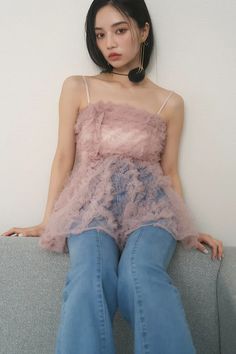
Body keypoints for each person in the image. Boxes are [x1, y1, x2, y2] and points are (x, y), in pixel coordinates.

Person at [2, 0, 224, 353]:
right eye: (101, 35)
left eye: (120, 30)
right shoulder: (79, 87)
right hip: (89, 205)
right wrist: (48, 220)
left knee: (140, 275)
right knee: (90, 277)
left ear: (143, 31)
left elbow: (169, 172)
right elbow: (63, 158)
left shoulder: (171, 103)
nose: (110, 44)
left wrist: (189, 229)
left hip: (152, 207)